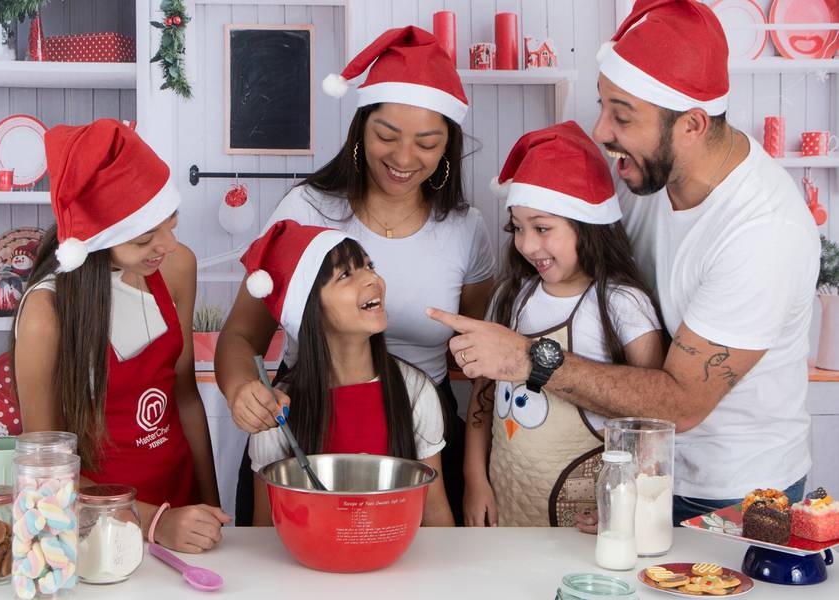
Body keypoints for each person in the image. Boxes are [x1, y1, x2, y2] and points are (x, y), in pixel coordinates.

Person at [430, 0, 819, 526]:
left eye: (622, 115)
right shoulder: (647, 178)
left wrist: (530, 359)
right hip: (636, 474)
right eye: (603, 105)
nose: (601, 130)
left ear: (692, 125)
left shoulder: (764, 232)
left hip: (728, 490)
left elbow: (681, 404)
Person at [216, 26, 495, 525]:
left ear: (448, 145)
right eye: (387, 136)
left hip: (418, 430)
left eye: (427, 143)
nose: (403, 159)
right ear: (361, 128)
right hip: (306, 420)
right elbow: (240, 335)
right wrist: (241, 391)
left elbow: (480, 363)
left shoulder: (465, 228)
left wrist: (476, 474)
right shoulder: (305, 208)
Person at [13, 119, 230, 553]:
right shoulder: (46, 313)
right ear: (96, 241)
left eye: (171, 223)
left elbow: (185, 397)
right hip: (97, 528)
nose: (168, 245)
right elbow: (46, 473)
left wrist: (211, 504)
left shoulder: (176, 267)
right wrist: (156, 523)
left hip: (183, 509)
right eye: (146, 238)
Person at [463, 122, 665, 528]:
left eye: (542, 228)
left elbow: (654, 423)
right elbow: (482, 397)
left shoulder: (623, 306)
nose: (526, 244)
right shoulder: (510, 297)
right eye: (517, 228)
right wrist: (474, 480)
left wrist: (628, 503)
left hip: (589, 522)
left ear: (586, 224)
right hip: (507, 503)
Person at [238, 220, 453, 526]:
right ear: (310, 308)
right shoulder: (278, 409)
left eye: (369, 266)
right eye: (345, 275)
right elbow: (266, 524)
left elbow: (434, 512)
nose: (372, 279)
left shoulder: (414, 390)